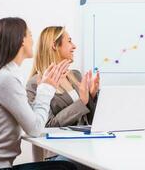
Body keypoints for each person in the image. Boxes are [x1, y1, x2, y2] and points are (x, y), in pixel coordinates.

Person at [0, 17, 77, 169]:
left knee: (65, 165)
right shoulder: (6, 78)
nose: (33, 40)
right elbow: (35, 129)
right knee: (65, 167)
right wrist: (46, 89)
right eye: (29, 35)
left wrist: (44, 87)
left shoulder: (7, 75)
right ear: (21, 40)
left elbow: (30, 119)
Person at [26, 26, 99, 163]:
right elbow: (46, 125)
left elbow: (87, 121)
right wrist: (82, 101)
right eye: (69, 41)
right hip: (58, 153)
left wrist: (92, 96)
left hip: (85, 146)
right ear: (54, 45)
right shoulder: (35, 84)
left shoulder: (75, 75)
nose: (74, 46)